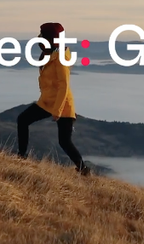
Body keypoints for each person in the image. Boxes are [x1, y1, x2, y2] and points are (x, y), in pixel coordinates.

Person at [16, 22, 90, 175]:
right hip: (47, 101)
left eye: (42, 37)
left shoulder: (61, 59)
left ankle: (83, 169)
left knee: (64, 141)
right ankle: (21, 157)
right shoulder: (50, 53)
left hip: (62, 104)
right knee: (22, 120)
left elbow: (64, 85)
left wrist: (58, 110)